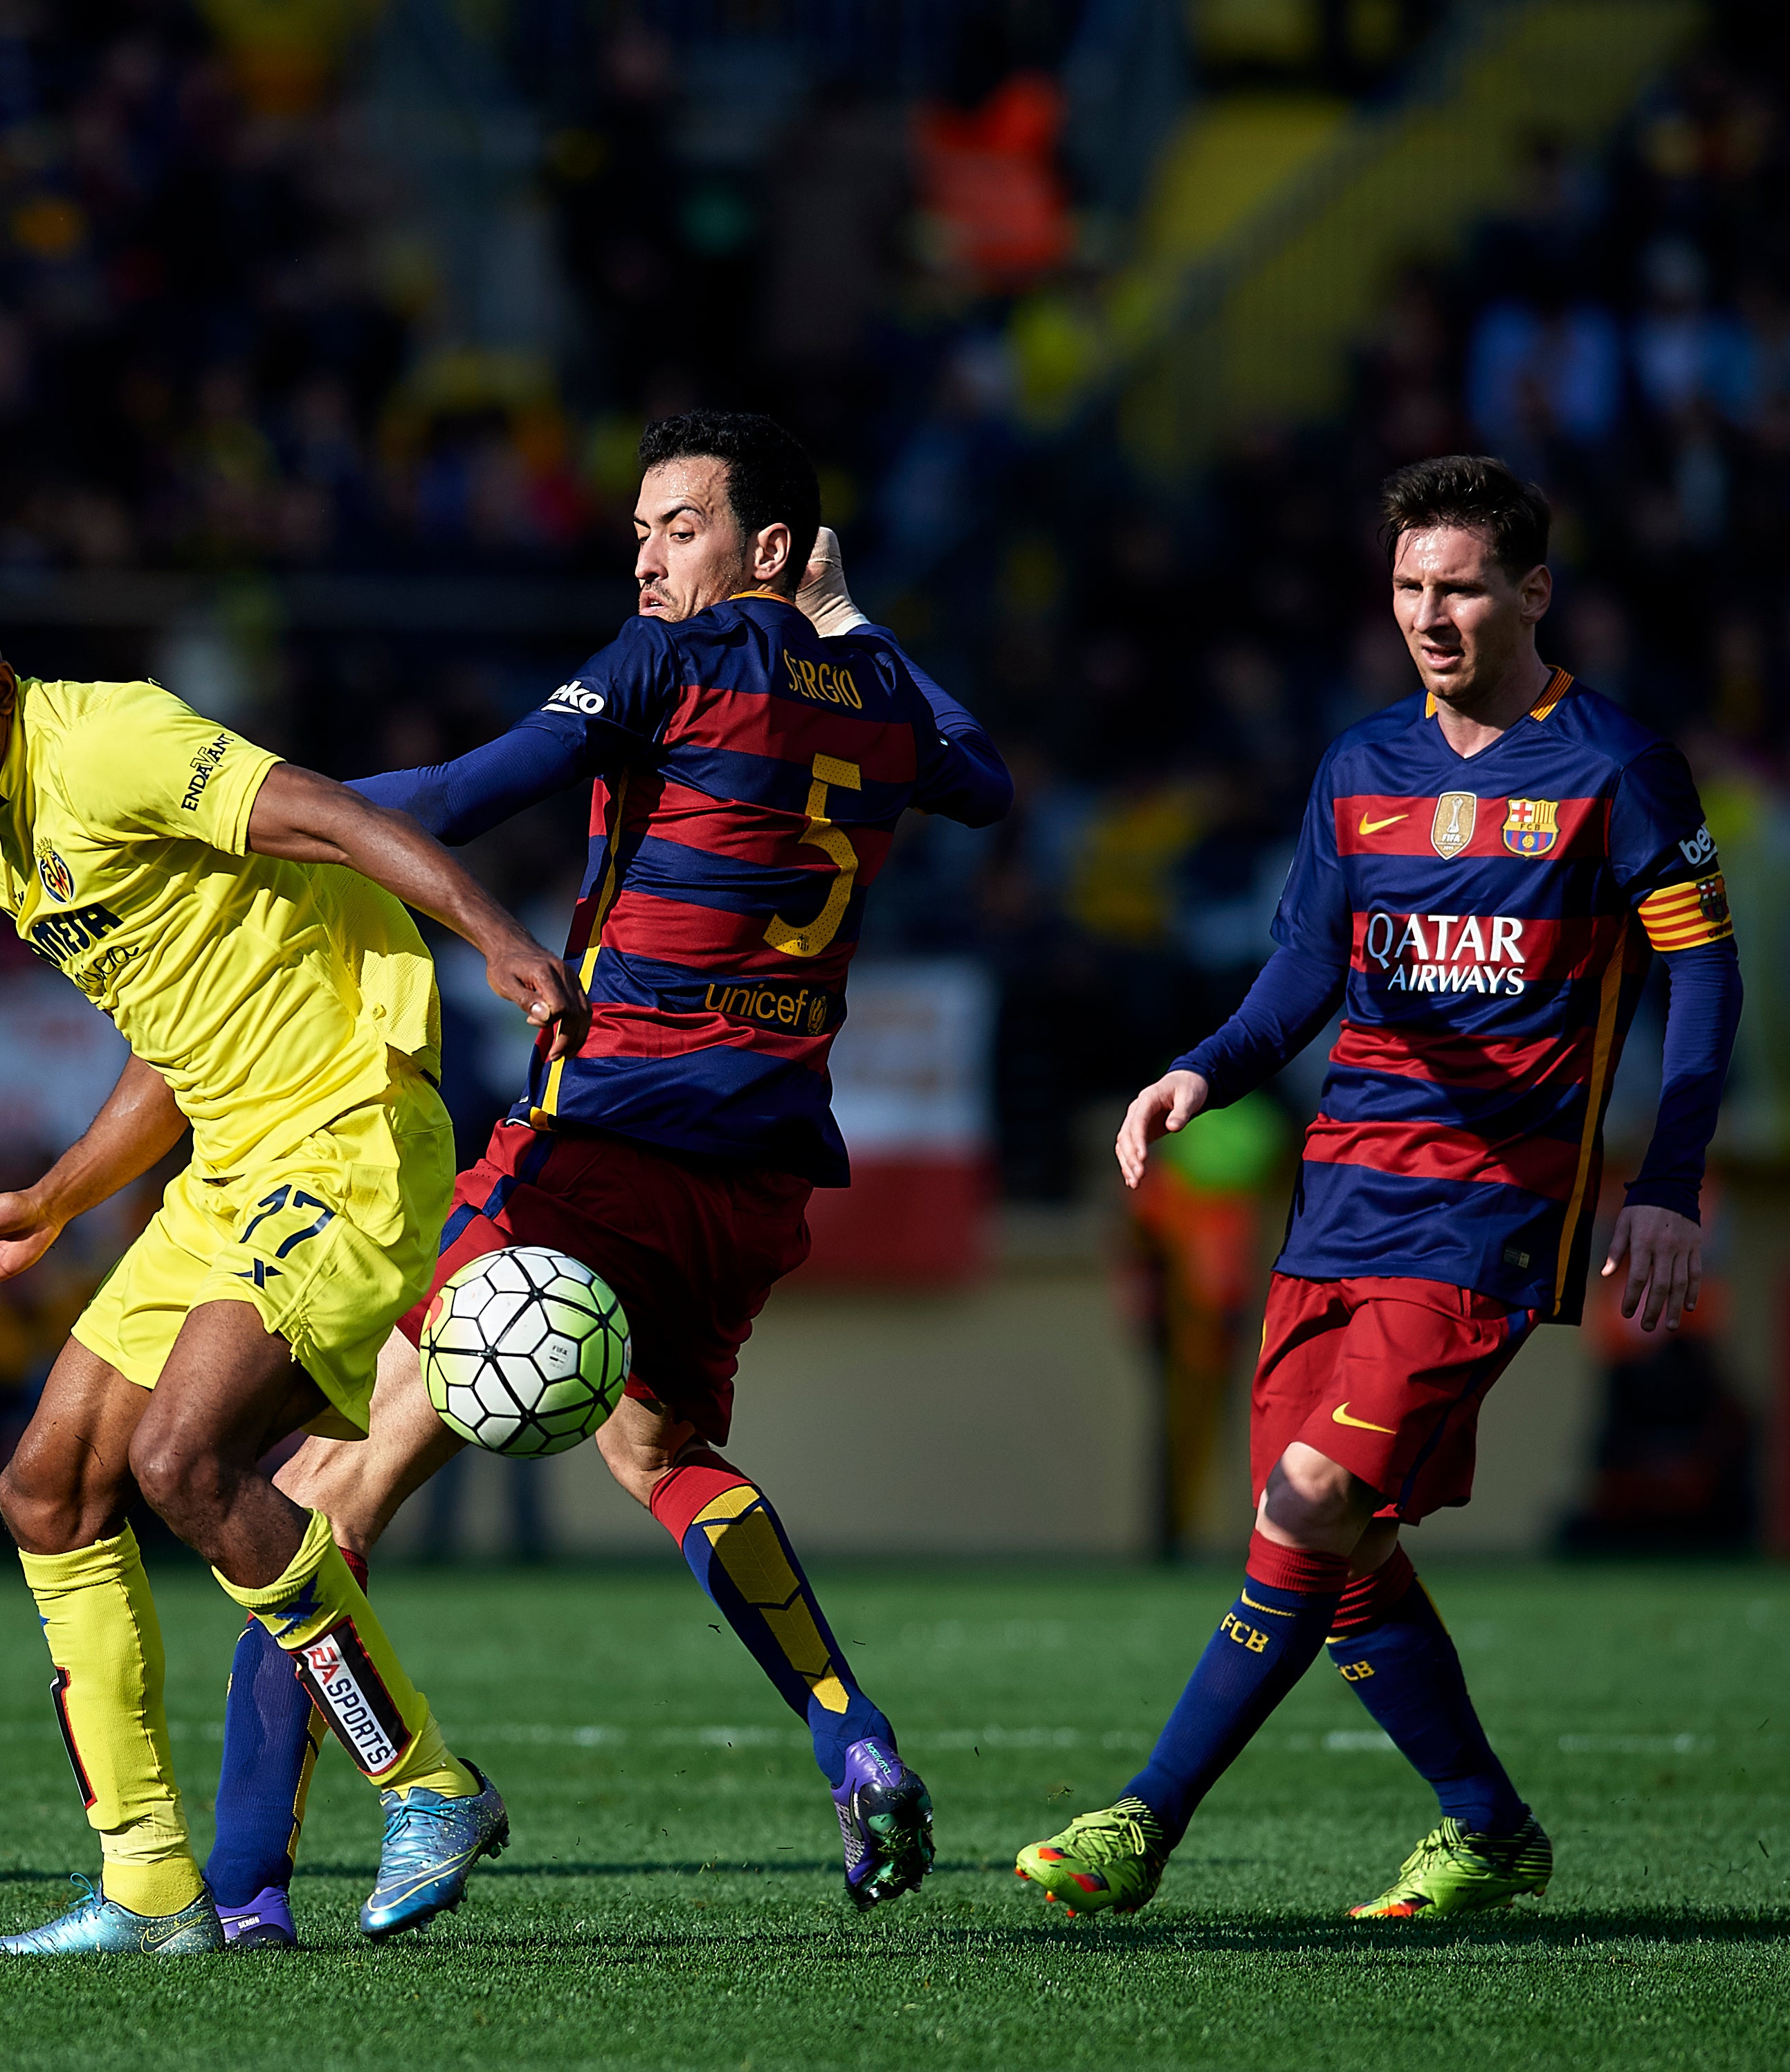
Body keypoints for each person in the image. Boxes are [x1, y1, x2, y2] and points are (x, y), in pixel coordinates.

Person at [199, 411, 1012, 1945]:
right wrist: (853, 621)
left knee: (315, 1486)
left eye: (682, 529)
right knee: (664, 1454)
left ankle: (257, 1888)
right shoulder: (886, 694)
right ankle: (852, 1735)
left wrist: (238, 812)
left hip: (601, 1143)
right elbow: (985, 776)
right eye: (638, 531)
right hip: (759, 1172)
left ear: (765, 547)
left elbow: (454, 793)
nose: (647, 558)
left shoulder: (672, 666)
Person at [1015, 453, 1740, 1920]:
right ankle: (1485, 1825)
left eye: (1462, 585)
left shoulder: (1615, 766)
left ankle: (1144, 1820)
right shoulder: (1361, 767)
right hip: (1340, 1199)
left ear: (1533, 591)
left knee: (1310, 1493)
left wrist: (1668, 1182)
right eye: (1410, 586)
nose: (1431, 613)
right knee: (1336, 1543)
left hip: (1490, 1211)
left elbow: (1707, 979)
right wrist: (1204, 1069)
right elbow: (1306, 966)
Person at [0, 567, 584, 1954]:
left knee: (186, 1462)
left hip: (346, 1134)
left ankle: (428, 1788)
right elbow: (176, 1043)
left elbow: (335, 814)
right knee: (49, 1488)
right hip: (228, 1169)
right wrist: (53, 1201)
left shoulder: (110, 741)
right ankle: (148, 1886)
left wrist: (495, 938)